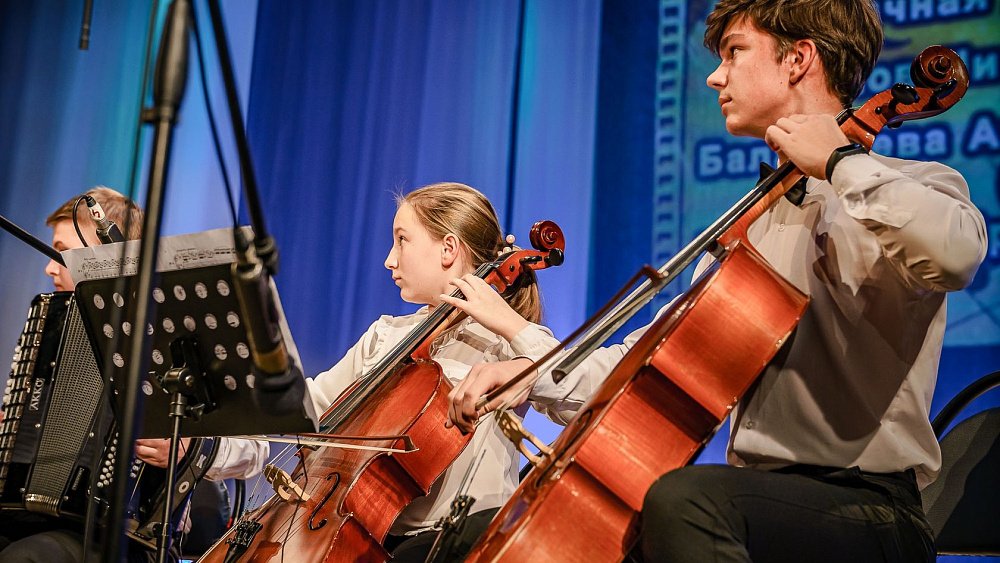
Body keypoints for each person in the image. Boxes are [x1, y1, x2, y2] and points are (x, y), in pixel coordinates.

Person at [447, 1, 988, 561]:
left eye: (735, 51)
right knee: (524, 537)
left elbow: (956, 253)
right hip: (755, 505)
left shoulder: (912, 183)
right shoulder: (749, 230)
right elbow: (651, 369)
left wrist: (840, 162)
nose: (714, 75)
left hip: (869, 514)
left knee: (685, 503)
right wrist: (530, 370)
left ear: (798, 59)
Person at [0, 186, 269, 562]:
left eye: (62, 252)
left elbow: (257, 449)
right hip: (29, 519)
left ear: (108, 254)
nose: (48, 266)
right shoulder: (53, 321)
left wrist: (185, 449)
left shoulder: (179, 328)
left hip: (130, 538)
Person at [299, 182, 554, 562]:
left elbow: (565, 373)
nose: (390, 259)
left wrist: (516, 347)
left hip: (460, 539)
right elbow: (310, 408)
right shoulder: (386, 336)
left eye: (402, 240)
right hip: (368, 530)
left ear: (448, 249)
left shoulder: (504, 341)